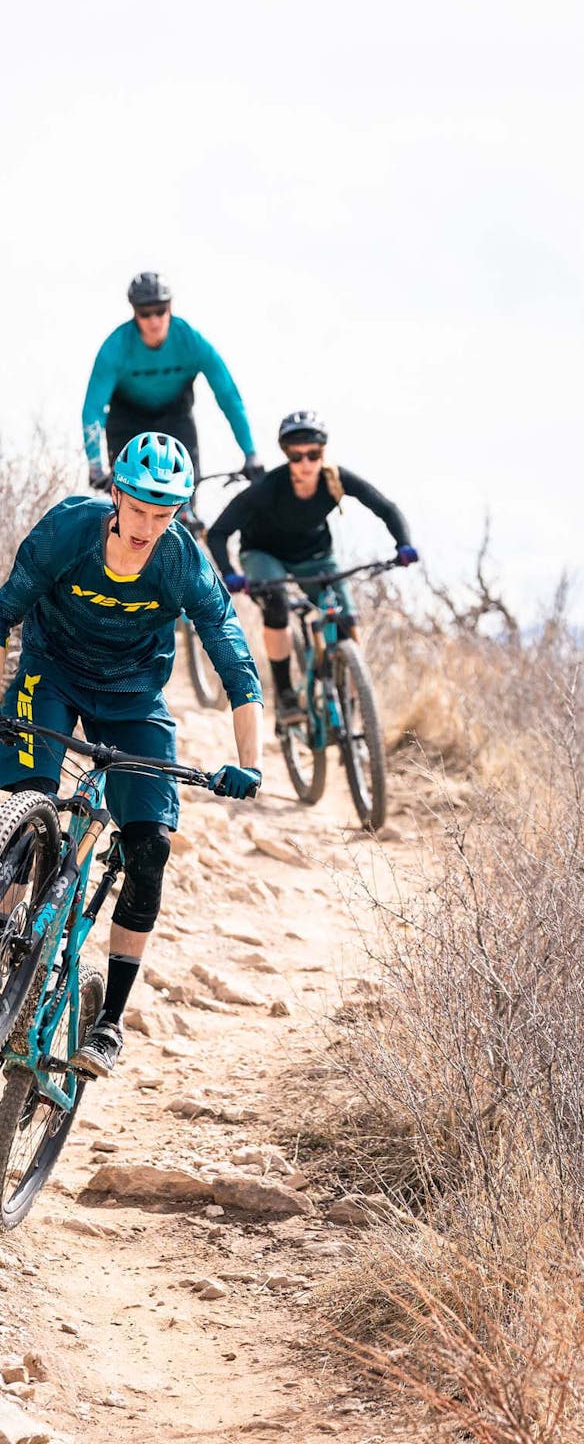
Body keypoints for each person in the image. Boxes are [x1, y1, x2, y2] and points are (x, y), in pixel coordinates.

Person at [0, 432, 264, 1076]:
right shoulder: (68, 532)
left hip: (133, 699)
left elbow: (234, 661)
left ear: (178, 512)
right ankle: (9, 929)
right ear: (116, 495)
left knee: (150, 851)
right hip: (50, 675)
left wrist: (250, 763)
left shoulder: (182, 562)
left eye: (163, 513)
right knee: (21, 801)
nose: (147, 525)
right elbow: (4, 611)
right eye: (139, 508)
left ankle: (109, 1024)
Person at [207, 410, 418, 732]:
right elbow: (218, 532)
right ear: (286, 455)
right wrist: (229, 572)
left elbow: (387, 508)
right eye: (297, 456)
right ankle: (286, 695)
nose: (306, 463)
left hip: (315, 556)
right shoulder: (268, 487)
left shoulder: (336, 479)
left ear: (323, 452)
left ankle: (351, 705)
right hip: (264, 553)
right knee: (276, 604)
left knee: (346, 621)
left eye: (313, 454)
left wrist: (404, 544)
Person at [82, 271, 262, 491]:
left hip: (176, 418)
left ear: (170, 307)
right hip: (127, 420)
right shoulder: (115, 347)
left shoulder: (191, 341)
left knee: (182, 494)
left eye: (160, 311)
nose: (154, 320)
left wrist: (251, 453)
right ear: (134, 312)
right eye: (145, 313)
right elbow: (93, 409)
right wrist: (95, 466)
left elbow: (228, 395)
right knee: (129, 495)